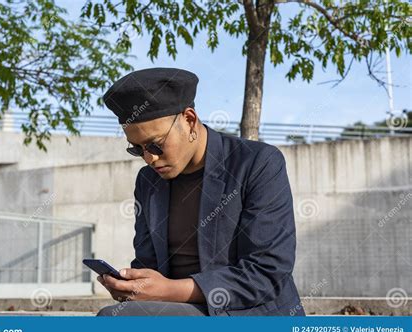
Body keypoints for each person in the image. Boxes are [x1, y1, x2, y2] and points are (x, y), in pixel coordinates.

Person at [96, 67, 305, 316]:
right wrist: (132, 285)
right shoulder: (148, 181)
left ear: (190, 120)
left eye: (156, 144)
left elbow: (267, 271)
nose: (149, 158)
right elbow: (147, 262)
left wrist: (168, 290)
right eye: (137, 149)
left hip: (250, 313)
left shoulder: (257, 163)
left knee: (115, 320)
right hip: (179, 312)